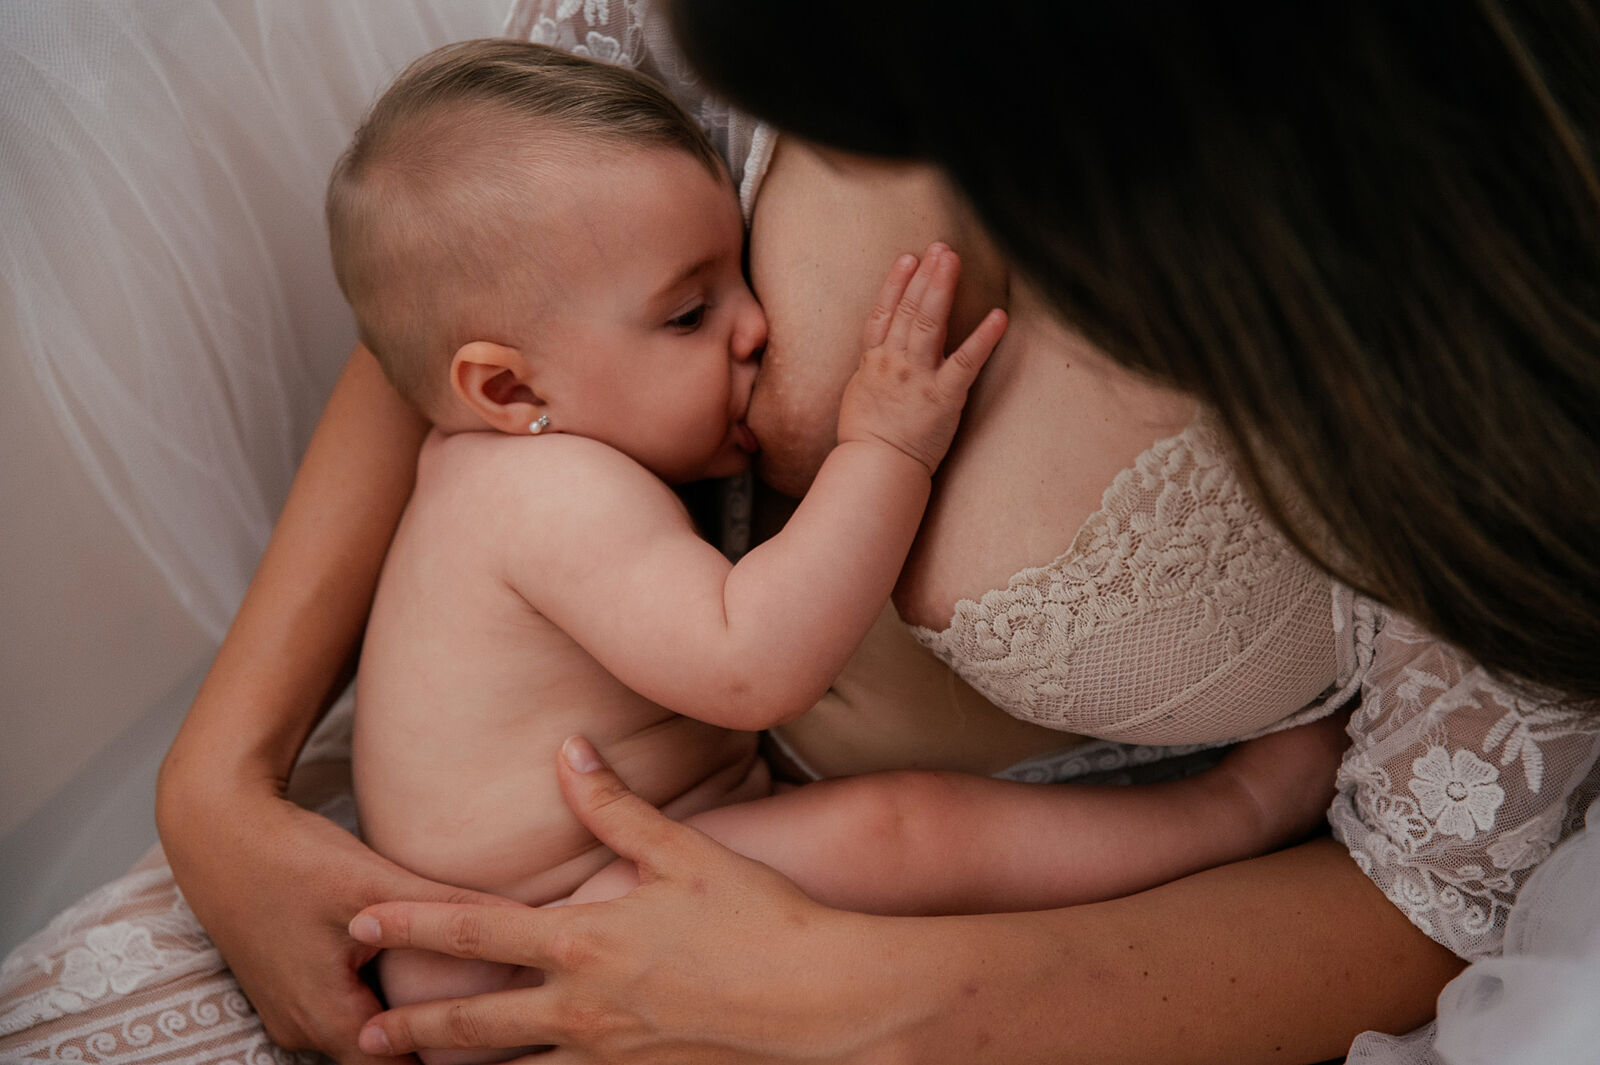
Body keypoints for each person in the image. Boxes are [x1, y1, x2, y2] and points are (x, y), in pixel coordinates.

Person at [1, 4, 1593, 1065]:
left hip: (1033, 965)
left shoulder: (1483, 300)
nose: (758, 332)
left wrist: (855, 1001)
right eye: (701, 305)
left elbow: (1428, 898)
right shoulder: (531, 431)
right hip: (571, 875)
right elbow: (487, 301)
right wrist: (218, 782)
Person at [336, 41, 1350, 1065]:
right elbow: (751, 661)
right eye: (688, 314)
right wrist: (884, 448)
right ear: (509, 391)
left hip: (534, 919)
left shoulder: (495, 466)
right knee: (901, 834)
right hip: (548, 929)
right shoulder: (541, 492)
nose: (753, 327)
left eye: (738, 277)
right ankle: (1231, 812)